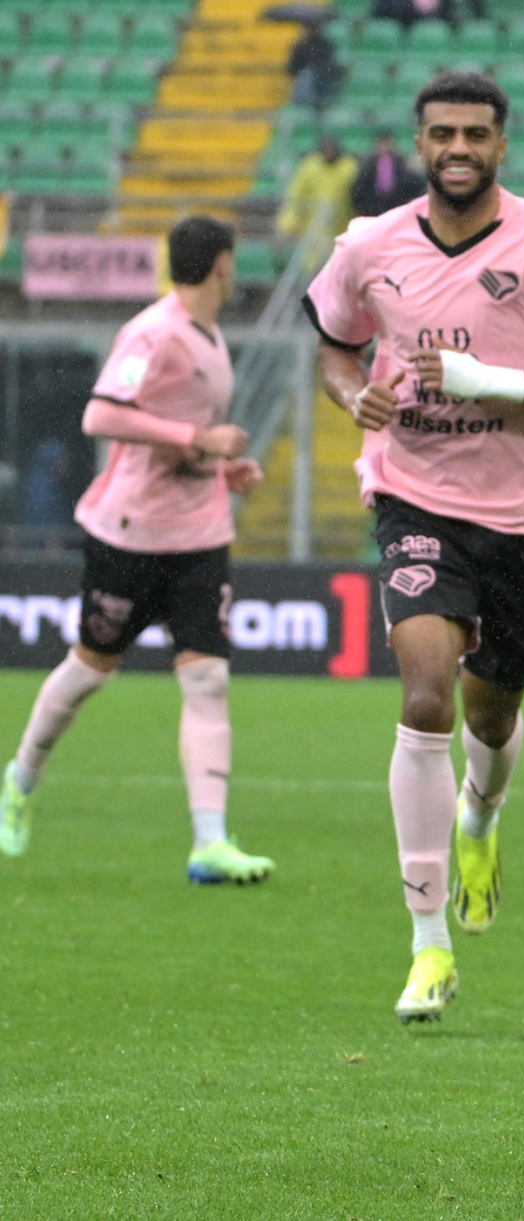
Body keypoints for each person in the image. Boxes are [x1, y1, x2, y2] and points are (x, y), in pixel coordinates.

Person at [303, 72, 524, 1024]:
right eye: (441, 130)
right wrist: (347, 392)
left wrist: (494, 379)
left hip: (523, 513)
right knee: (425, 692)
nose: (458, 146)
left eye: (474, 133)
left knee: (491, 712)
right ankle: (427, 941)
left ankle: (481, 816)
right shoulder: (369, 246)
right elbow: (329, 340)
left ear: (500, 143)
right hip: (413, 496)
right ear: (419, 138)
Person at [0, 217, 270, 882]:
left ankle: (208, 842)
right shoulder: (154, 331)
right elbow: (102, 414)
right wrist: (197, 439)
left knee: (206, 677)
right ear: (223, 266)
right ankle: (19, 779)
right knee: (92, 669)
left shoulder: (205, 335)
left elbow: (185, 435)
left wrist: (217, 466)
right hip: (130, 533)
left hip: (200, 535)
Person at [277, 134, 357, 270]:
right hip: (313, 227)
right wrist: (288, 221)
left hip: (341, 226)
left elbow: (357, 196)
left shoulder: (348, 168)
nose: (328, 153)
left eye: (331, 149)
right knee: (314, 265)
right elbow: (295, 195)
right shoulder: (310, 167)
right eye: (325, 149)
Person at [350, 131, 427, 218]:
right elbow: (359, 192)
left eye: (387, 143)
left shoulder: (403, 166)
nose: (385, 147)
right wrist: (368, 210)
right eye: (382, 144)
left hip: (398, 213)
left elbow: (414, 188)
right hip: (374, 214)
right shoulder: (368, 167)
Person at [286, 20, 344, 110]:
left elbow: (329, 65)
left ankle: (313, 103)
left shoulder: (324, 45)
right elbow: (292, 68)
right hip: (305, 80)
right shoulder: (299, 47)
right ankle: (306, 104)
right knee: (307, 75)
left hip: (322, 80)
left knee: (312, 75)